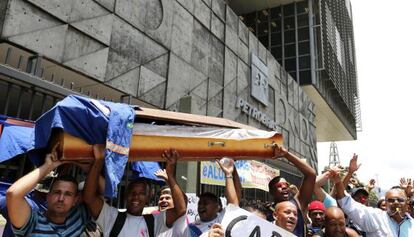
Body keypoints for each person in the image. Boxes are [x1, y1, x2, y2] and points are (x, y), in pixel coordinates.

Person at [83, 146, 187, 237]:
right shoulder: (111, 217)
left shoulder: (154, 222)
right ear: (125, 196)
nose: (136, 197)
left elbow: (180, 209)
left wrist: (170, 175)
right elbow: (89, 198)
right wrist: (98, 162)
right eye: (132, 192)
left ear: (147, 198)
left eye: (141, 193)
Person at [6, 144, 90, 236]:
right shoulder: (33, 222)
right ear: (48, 196)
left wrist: (88, 168)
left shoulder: (79, 215)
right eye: (57, 192)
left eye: (68, 194)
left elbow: (95, 194)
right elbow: (13, 194)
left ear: (75, 200)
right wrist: (48, 166)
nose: (61, 198)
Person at [334, 170, 414, 236]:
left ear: (407, 203)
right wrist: (339, 181)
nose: (396, 203)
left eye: (400, 200)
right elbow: (345, 202)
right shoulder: (375, 218)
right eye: (391, 200)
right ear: (385, 203)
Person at [268, 143, 316, 237]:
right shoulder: (266, 211)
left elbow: (311, 174)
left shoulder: (297, 204)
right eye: (279, 185)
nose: (284, 187)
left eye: (286, 184)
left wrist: (286, 155)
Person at [189, 157, 241, 237]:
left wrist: (229, 174)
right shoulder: (190, 228)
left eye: (205, 203)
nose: (201, 206)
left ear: (217, 206)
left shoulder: (223, 219)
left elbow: (233, 202)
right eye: (199, 203)